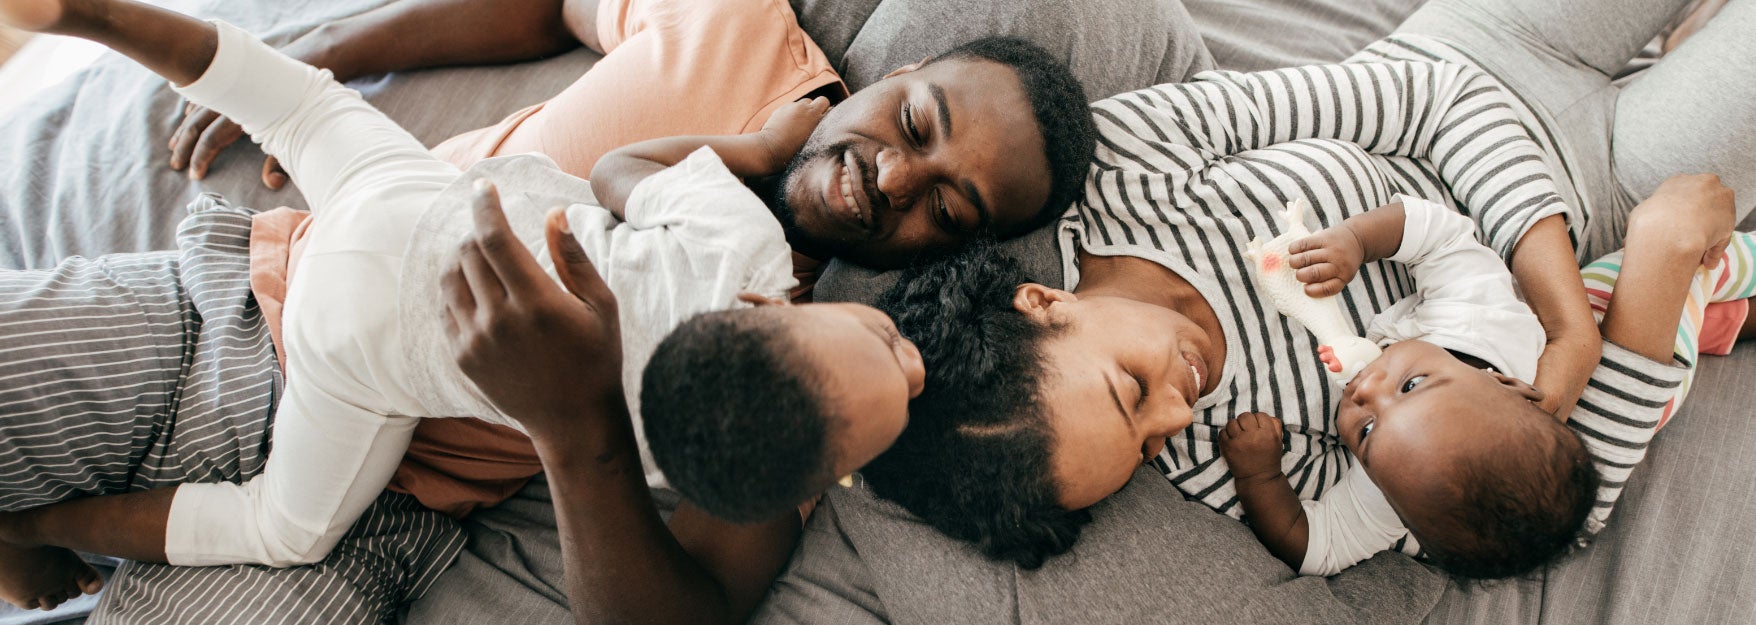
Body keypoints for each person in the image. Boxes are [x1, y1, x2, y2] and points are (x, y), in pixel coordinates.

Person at [858, 0, 1754, 568]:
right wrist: (1657, 262)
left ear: (1045, 302)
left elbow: (1433, 99)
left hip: (1494, 41)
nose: (1177, 417)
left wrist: (1566, 318)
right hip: (1622, 188)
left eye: (1131, 391)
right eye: (1145, 447)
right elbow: (1537, 503)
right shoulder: (1233, 455)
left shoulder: (1128, 167)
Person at [1215, 196, 1592, 580]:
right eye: (1411, 385)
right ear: (1504, 382)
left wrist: (1259, 476)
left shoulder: (1393, 498)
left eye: (1366, 432)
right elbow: (1440, 235)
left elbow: (1316, 549)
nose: (1367, 389)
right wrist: (1355, 240)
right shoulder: (1484, 318)